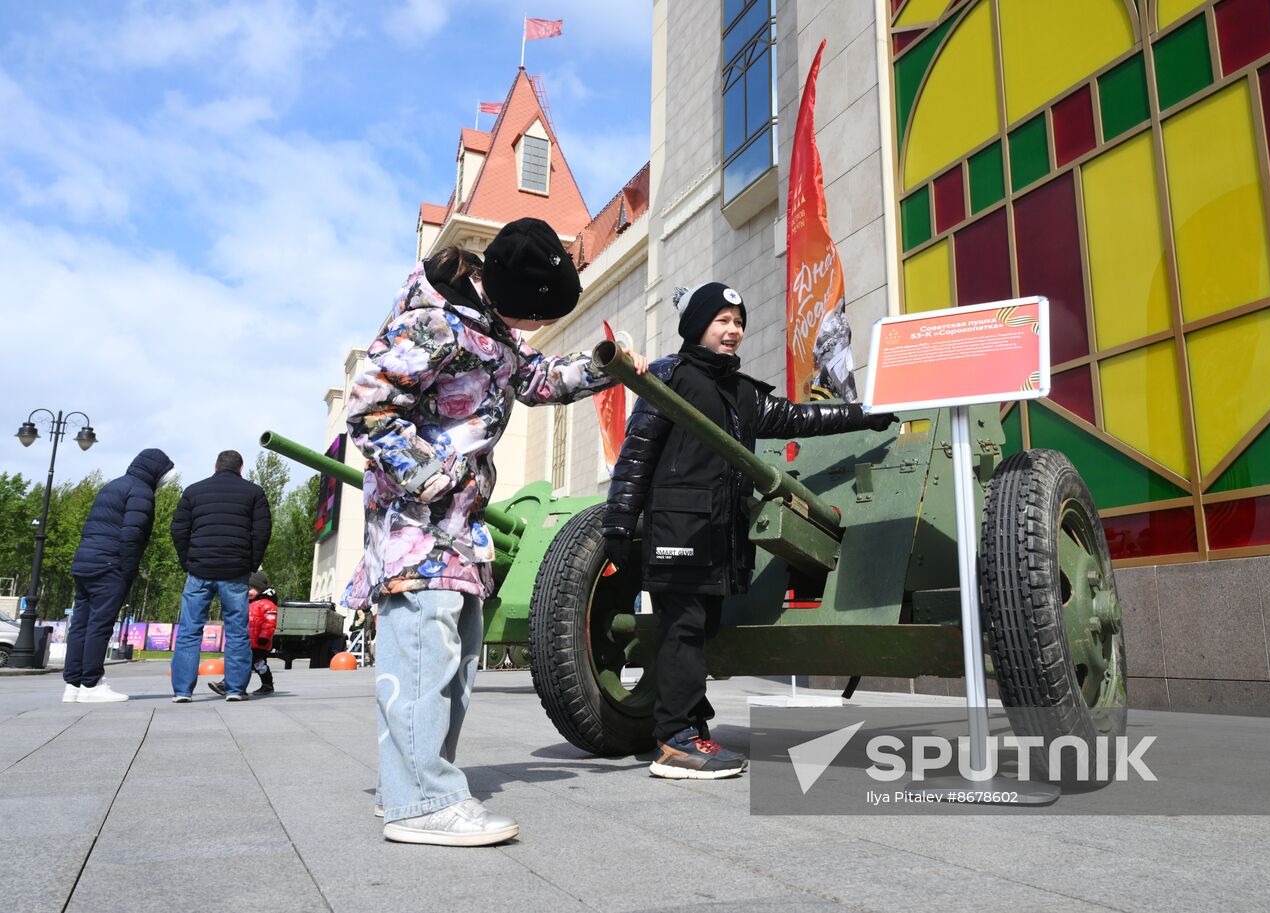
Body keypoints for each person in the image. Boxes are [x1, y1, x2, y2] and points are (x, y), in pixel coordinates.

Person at [344, 218, 648, 848]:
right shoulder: (433, 322)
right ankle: (422, 802)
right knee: (425, 648)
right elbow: (369, 409)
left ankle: (411, 787)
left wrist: (607, 367)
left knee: (457, 655)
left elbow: (538, 382)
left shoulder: (494, 330)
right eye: (540, 315)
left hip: (459, 521)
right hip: (415, 519)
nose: (536, 329)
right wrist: (435, 480)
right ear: (516, 294)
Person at [602, 282, 895, 779]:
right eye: (722, 321)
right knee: (683, 629)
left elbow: (801, 417)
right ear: (698, 326)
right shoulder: (668, 378)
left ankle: (691, 727)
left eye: (738, 323)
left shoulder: (741, 393)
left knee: (700, 630)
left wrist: (862, 415)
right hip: (680, 527)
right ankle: (675, 742)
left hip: (722, 533)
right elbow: (637, 456)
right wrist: (619, 526)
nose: (733, 331)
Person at [63, 448, 174, 703]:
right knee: (100, 625)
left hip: (85, 562)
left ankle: (73, 685)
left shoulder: (113, 485)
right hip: (110, 565)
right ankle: (91, 684)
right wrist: (128, 570)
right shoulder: (142, 492)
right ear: (156, 472)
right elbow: (133, 534)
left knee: (81, 623)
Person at [169, 450, 271, 703]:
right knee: (237, 632)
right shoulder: (254, 492)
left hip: (199, 571)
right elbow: (262, 531)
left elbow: (178, 528)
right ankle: (235, 689)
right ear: (241, 468)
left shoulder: (194, 491)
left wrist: (188, 561)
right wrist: (251, 564)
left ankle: (182, 691)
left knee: (189, 631)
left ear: (215, 466)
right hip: (235, 573)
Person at [208, 570, 278, 697]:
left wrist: (264, 637)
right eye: (247, 588)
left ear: (260, 589)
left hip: (260, 643)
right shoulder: (249, 603)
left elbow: (270, 623)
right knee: (259, 665)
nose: (248, 591)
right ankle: (267, 685)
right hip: (248, 641)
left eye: (252, 588)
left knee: (243, 663)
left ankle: (227, 684)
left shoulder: (267, 604)